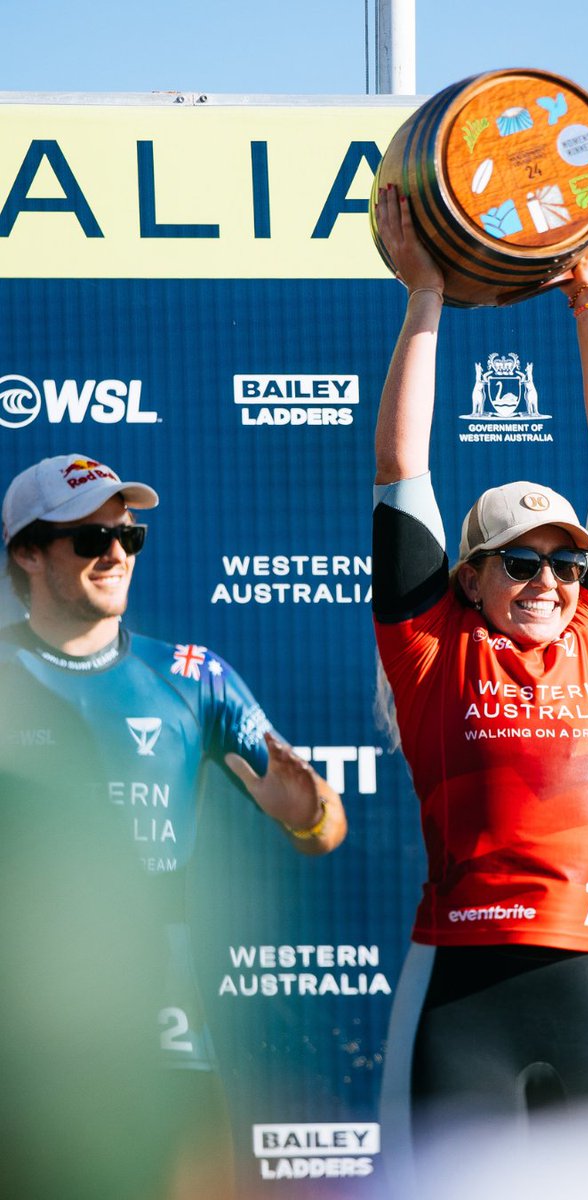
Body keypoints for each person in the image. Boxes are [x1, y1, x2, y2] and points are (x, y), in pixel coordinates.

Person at [371, 185, 588, 1177]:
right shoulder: (428, 645)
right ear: (469, 576)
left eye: (570, 562)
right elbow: (398, 462)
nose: (553, 580)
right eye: (523, 561)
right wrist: (426, 293)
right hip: (461, 992)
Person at [0, 452, 346, 1199]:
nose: (116, 555)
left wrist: (308, 811)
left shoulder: (191, 676)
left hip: (164, 1030)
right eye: (89, 541)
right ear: (28, 552)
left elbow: (326, 828)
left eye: (129, 538)